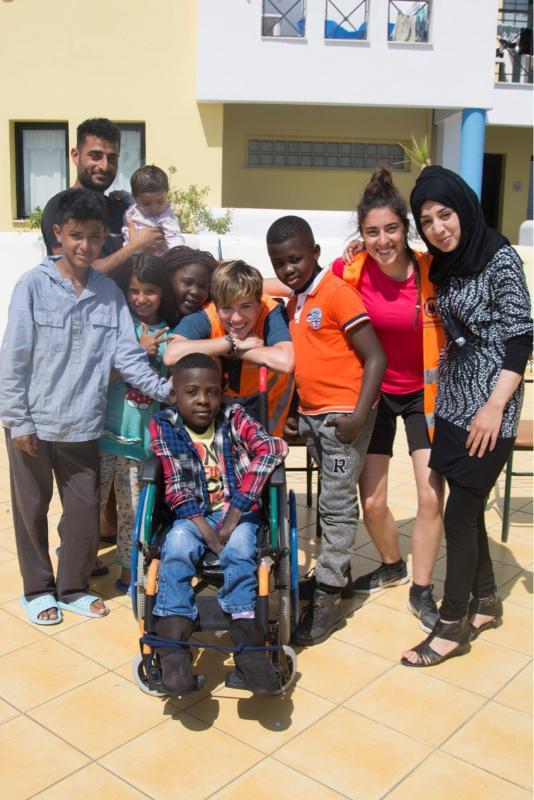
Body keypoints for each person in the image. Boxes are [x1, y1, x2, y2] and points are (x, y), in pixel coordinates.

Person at [0, 189, 172, 625]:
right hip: (33, 425)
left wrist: (169, 393)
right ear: (58, 234)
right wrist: (17, 419)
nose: (85, 246)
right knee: (31, 509)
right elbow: (14, 357)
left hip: (83, 426)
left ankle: (72, 587)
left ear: (104, 238)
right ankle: (38, 589)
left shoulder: (108, 295)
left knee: (82, 512)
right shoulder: (33, 286)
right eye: (76, 235)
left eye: (95, 237)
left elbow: (128, 357)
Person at [401, 165, 532, 667]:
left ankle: (451, 624)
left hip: (492, 402)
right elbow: (396, 260)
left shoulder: (500, 257)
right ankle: (485, 600)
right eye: (427, 220)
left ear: (464, 208)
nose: (438, 228)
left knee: (459, 509)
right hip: (454, 398)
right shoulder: (444, 263)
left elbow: (522, 337)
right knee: (465, 501)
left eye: (445, 214)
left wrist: (495, 408)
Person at [330, 168, 445, 633]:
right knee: (373, 503)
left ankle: (422, 590)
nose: (383, 240)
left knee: (429, 496)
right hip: (374, 395)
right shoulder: (348, 271)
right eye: (372, 232)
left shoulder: (429, 270)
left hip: (423, 394)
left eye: (392, 229)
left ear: (406, 229)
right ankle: (392, 564)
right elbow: (305, 295)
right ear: (361, 236)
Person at [267, 215, 386, 646]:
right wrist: (298, 410)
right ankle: (339, 575)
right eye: (279, 263)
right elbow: (310, 361)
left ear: (315, 253)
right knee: (329, 502)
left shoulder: (336, 294)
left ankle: (330, 599)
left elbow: (376, 358)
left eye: (296, 259)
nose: (288, 269)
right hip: (317, 417)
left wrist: (357, 416)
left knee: (336, 506)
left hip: (343, 418)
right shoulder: (294, 303)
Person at [150, 352, 288, 695]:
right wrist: (210, 533)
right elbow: (178, 487)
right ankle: (173, 651)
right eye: (192, 392)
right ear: (175, 394)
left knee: (241, 549)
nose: (202, 400)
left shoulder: (234, 416)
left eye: (211, 392)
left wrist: (237, 510)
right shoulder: (164, 424)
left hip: (236, 513)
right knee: (178, 546)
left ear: (222, 393)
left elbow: (272, 448)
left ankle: (249, 649)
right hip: (191, 515)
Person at [99, 254, 175, 593]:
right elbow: (98, 375)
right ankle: (78, 559)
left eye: (150, 291)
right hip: (101, 437)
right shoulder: (118, 325)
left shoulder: (173, 337)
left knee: (132, 510)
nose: (141, 298)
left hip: (140, 443)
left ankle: (129, 570)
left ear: (163, 293)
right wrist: (140, 351)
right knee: (89, 505)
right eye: (134, 290)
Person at [164, 260, 294, 437]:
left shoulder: (270, 311)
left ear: (259, 303)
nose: (237, 318)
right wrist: (231, 343)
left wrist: (240, 350)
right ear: (216, 307)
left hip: (266, 427)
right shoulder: (207, 315)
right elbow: (171, 355)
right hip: (222, 423)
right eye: (227, 308)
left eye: (245, 306)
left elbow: (286, 362)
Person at [41, 117, 165, 274]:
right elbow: (70, 274)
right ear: (75, 156)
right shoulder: (60, 206)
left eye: (112, 158)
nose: (105, 166)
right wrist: (133, 248)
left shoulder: (124, 210)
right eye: (95, 156)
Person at [122, 165, 184, 256]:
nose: (154, 208)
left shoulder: (166, 217)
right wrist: (122, 194)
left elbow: (174, 237)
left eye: (160, 201)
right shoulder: (135, 206)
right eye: (147, 204)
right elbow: (129, 198)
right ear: (136, 198)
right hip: (129, 253)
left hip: (155, 258)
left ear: (166, 193)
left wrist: (178, 257)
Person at [162, 245, 216, 323]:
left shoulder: (209, 322)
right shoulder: (147, 318)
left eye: (203, 286)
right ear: (169, 279)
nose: (195, 292)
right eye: (187, 282)